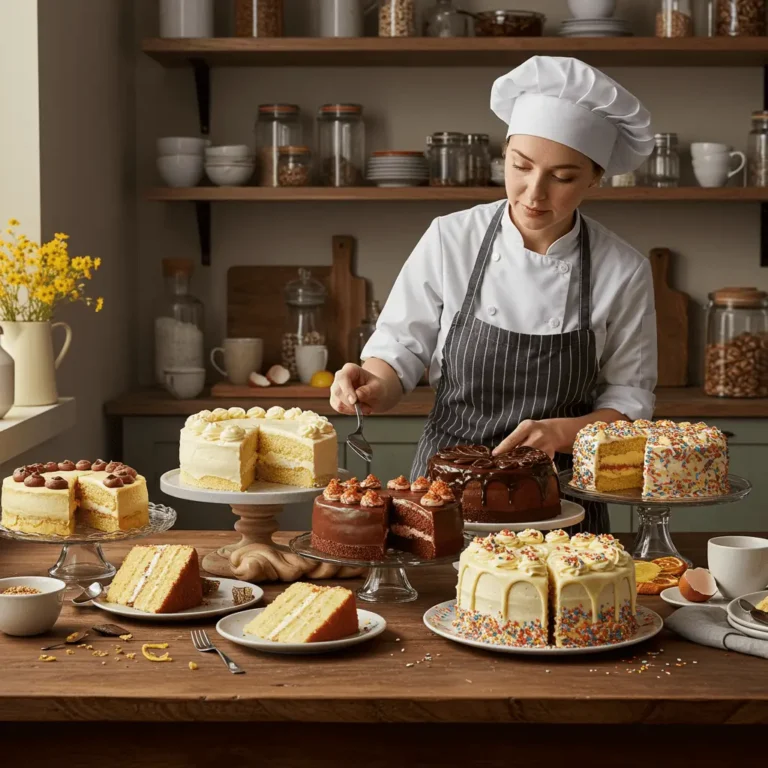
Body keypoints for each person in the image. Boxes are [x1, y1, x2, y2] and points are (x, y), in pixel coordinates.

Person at [330, 56, 658, 533]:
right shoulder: (450, 238)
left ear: (595, 177)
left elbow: (629, 399)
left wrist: (564, 432)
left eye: (563, 177)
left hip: (559, 501)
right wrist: (374, 383)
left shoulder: (623, 269)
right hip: (441, 499)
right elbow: (400, 347)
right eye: (520, 165)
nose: (533, 193)